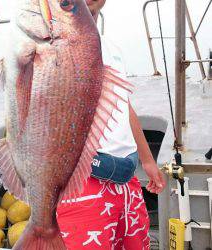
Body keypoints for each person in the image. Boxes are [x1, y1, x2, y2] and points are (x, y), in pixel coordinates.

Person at [57, 1, 166, 249]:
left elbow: (122, 105)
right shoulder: (53, 49)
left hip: (126, 177)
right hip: (81, 182)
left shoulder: (113, 49)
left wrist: (147, 160)